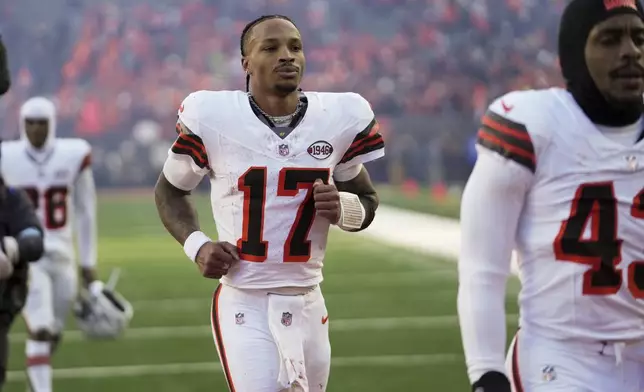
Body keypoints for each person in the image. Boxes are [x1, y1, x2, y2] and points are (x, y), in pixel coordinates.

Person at [155, 14, 385, 392]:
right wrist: (197, 246)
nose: (287, 56)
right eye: (271, 47)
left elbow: (368, 199)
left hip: (309, 300)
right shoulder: (214, 117)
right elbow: (169, 190)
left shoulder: (338, 119)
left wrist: (343, 207)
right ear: (246, 63)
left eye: (295, 47)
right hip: (246, 300)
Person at [457, 0, 644, 391]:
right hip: (561, 359)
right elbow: (483, 268)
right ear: (576, 54)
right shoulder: (533, 123)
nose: (630, 51)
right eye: (610, 39)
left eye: (639, 37)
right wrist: (487, 371)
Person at [0, 97, 102, 392]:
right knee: (41, 329)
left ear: (52, 124)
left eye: (41, 123)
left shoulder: (74, 153)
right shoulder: (6, 156)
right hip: (28, 257)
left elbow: (85, 210)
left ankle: (36, 375)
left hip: (63, 254)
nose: (34, 129)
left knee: (53, 331)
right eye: (29, 122)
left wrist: (87, 262)